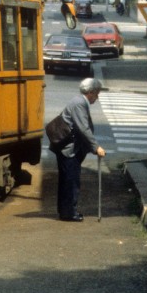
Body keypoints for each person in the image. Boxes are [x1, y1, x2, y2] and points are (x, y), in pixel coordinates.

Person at [51, 77, 106, 221]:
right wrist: (96, 147)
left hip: (68, 148)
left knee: (67, 181)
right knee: (71, 181)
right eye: (97, 93)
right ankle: (69, 213)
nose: (97, 97)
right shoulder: (79, 103)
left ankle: (66, 211)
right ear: (91, 92)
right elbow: (83, 128)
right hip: (68, 150)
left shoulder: (79, 101)